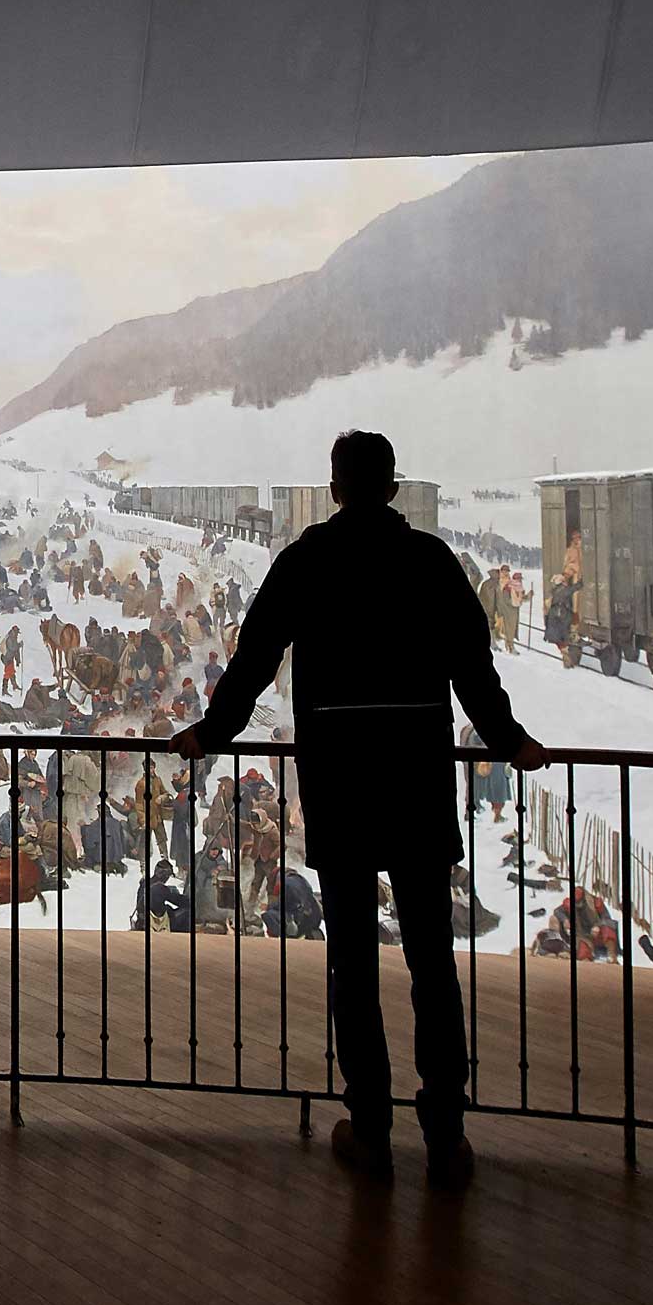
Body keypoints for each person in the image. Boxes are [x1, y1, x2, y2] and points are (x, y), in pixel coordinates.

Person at [175, 430, 548, 1188]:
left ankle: (370, 1129)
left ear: (338, 486)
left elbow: (254, 658)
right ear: (394, 488)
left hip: (341, 781)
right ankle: (446, 1134)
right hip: (415, 778)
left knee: (353, 965)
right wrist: (509, 740)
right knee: (432, 964)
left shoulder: (307, 560)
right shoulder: (430, 562)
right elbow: (472, 668)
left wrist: (211, 732)